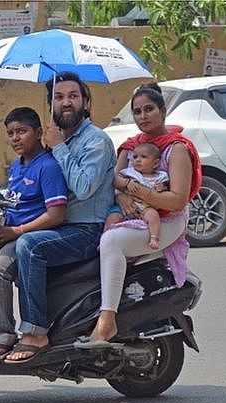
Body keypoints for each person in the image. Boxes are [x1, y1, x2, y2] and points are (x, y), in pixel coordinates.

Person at [75, 82, 202, 348]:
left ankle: (106, 322)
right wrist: (122, 195)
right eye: (137, 111)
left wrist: (138, 191)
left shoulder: (176, 148)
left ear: (163, 111)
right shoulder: (131, 146)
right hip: (129, 212)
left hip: (165, 218)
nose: (143, 116)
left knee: (111, 242)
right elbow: (112, 180)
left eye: (149, 110)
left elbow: (177, 199)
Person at [4, 71, 116, 363]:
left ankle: (35, 332)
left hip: (86, 229)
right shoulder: (58, 138)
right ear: (50, 104)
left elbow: (83, 187)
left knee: (29, 245)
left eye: (73, 96)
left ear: (85, 101)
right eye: (59, 97)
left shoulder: (95, 141)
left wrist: (58, 148)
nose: (66, 102)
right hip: (63, 226)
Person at [0, 107, 68, 361]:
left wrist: (15, 231)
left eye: (22, 131)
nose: (16, 138)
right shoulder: (16, 167)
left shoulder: (47, 167)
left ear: (39, 133)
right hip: (11, 235)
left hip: (31, 239)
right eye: (10, 133)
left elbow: (56, 214)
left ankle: (2, 335)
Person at [116, 142, 169, 249]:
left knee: (153, 216)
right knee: (113, 216)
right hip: (127, 205)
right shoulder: (130, 172)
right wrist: (127, 183)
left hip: (146, 207)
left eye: (143, 157)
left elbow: (167, 186)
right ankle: (104, 236)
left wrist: (162, 187)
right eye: (135, 157)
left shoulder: (160, 176)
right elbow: (116, 180)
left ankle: (154, 238)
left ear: (155, 163)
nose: (137, 160)